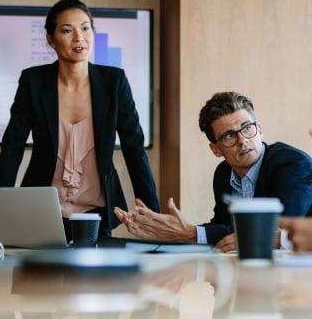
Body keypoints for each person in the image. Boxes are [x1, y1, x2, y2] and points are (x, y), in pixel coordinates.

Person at [0, 0, 159, 241]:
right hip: (41, 211)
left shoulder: (114, 81)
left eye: (85, 28)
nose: (79, 38)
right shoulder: (33, 81)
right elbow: (13, 146)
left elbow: (134, 147)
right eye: (66, 30)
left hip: (97, 212)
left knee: (94, 279)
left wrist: (154, 216)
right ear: (50, 39)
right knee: (38, 279)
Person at [114, 92, 312, 251]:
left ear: (259, 130)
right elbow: (223, 225)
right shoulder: (224, 173)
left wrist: (190, 233)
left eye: (247, 128)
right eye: (228, 136)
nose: (242, 140)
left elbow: (273, 229)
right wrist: (169, 231)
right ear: (215, 149)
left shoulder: (292, 164)